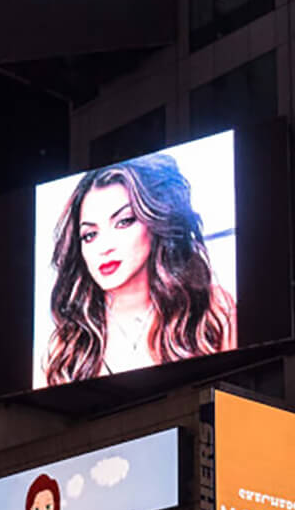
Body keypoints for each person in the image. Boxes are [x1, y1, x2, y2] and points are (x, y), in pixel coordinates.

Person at [41, 151, 236, 386]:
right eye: (90, 235)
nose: (104, 247)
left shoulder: (212, 309)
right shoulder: (69, 346)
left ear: (155, 222)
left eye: (124, 222)